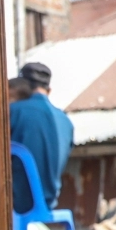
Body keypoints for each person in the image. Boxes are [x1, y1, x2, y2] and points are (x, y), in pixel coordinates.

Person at [9, 62, 74, 213]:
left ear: (22, 87)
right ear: (49, 90)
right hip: (47, 206)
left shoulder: (13, 111)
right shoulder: (66, 121)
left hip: (17, 206)